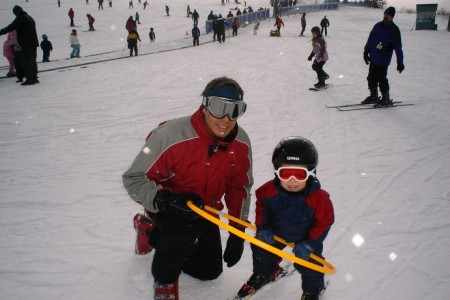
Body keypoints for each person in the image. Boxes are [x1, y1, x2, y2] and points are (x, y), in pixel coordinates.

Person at [123, 76, 253, 300]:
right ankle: (164, 282)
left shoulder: (240, 143)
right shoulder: (170, 136)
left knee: (208, 272)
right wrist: (163, 200)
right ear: (204, 106)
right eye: (217, 107)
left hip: (205, 210)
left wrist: (237, 232)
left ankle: (148, 230)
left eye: (234, 110)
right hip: (166, 204)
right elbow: (134, 179)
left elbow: (238, 188)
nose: (225, 119)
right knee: (180, 236)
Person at [236, 136, 334, 300]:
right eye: (286, 173)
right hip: (276, 232)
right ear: (276, 172)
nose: (292, 181)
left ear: (311, 173)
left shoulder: (319, 198)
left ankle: (312, 290)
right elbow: (262, 208)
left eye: (299, 174)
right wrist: (262, 229)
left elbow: (325, 221)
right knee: (261, 248)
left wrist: (310, 244)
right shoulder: (268, 191)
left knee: (311, 265)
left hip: (305, 237)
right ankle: (265, 273)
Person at [362, 6, 404, 107]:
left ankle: (386, 98)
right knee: (371, 77)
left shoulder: (394, 30)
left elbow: (398, 48)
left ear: (392, 17)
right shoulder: (377, 26)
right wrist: (366, 51)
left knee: (381, 78)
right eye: (385, 14)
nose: (386, 16)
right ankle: (374, 96)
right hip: (374, 57)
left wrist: (400, 62)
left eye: (388, 15)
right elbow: (371, 39)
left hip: (384, 59)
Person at [0, 5, 39, 86]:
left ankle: (30, 79)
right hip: (33, 42)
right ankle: (34, 78)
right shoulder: (29, 17)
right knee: (32, 61)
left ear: (16, 12)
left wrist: (1, 32)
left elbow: (10, 27)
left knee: (27, 61)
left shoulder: (20, 18)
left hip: (26, 43)